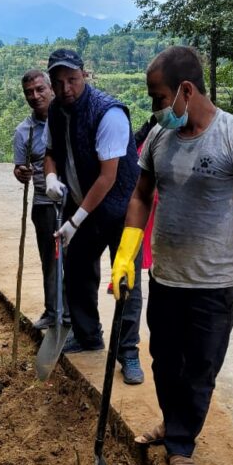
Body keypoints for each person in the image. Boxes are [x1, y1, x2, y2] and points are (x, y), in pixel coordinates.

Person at [111, 46, 233, 465]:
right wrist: (127, 254)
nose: (155, 108)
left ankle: (181, 443)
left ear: (186, 90)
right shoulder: (159, 138)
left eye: (159, 97)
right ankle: (175, 423)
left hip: (214, 282)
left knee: (200, 368)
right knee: (165, 362)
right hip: (167, 277)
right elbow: (141, 195)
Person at [43, 48, 145, 385]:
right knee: (77, 269)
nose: (65, 88)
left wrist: (74, 222)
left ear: (84, 75)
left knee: (125, 279)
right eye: (58, 82)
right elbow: (51, 152)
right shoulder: (57, 111)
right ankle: (88, 335)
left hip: (121, 208)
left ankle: (128, 353)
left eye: (71, 80)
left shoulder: (109, 114)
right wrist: (51, 177)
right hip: (81, 202)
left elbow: (108, 177)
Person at [13, 69, 58, 330]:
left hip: (75, 201)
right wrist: (21, 172)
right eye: (29, 92)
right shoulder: (24, 132)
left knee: (78, 261)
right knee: (49, 260)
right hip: (43, 203)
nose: (35, 95)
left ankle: (78, 316)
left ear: (51, 89)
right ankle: (53, 311)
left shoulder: (69, 119)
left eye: (40, 89)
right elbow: (19, 168)